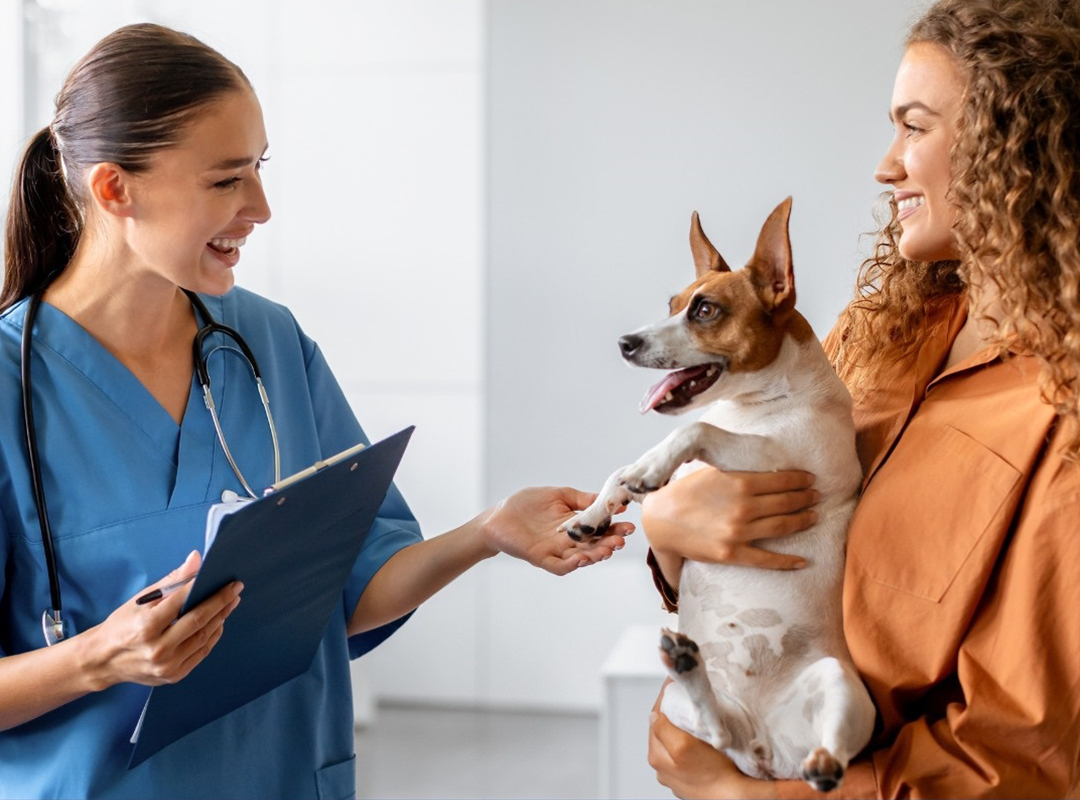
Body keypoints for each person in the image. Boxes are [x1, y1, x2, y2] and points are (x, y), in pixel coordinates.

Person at [0, 24, 631, 799]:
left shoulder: (267, 342)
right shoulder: (10, 387)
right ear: (114, 189)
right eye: (227, 179)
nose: (261, 207)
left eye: (259, 169)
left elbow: (345, 595)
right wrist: (99, 657)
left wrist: (487, 533)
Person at [642, 0, 1080, 797]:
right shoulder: (873, 338)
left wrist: (737, 794)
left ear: (1020, 145)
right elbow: (776, 559)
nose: (885, 166)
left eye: (914, 127)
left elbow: (1018, 759)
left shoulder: (1061, 411)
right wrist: (669, 535)